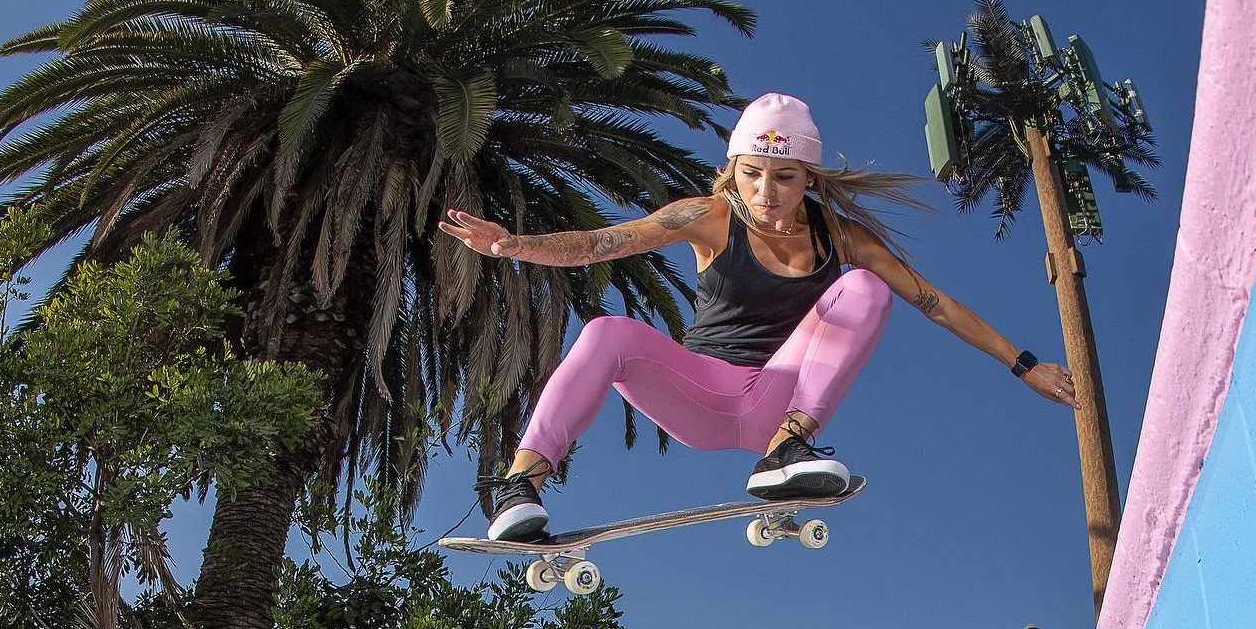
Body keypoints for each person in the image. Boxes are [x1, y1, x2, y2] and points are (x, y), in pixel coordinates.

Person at [439, 93, 1079, 542]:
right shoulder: (707, 217)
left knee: (866, 289)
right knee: (607, 330)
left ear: (809, 179)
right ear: (733, 171)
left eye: (785, 178)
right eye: (752, 175)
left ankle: (784, 451)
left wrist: (1023, 365)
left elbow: (934, 302)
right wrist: (512, 246)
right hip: (701, 393)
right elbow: (603, 243)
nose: (766, 194)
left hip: (781, 399)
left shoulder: (843, 236)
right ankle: (521, 485)